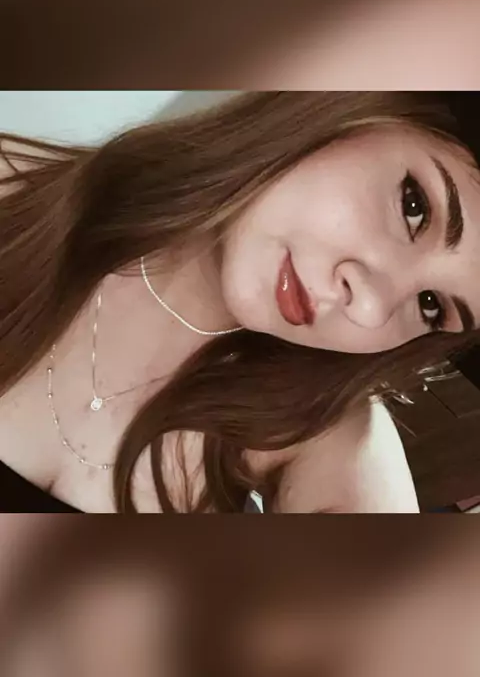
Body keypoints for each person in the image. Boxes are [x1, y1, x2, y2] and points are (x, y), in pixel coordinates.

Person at [0, 91, 479, 513]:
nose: (369, 308)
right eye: (413, 207)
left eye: (431, 305)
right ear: (348, 107)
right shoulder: (13, 195)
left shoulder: (323, 436)